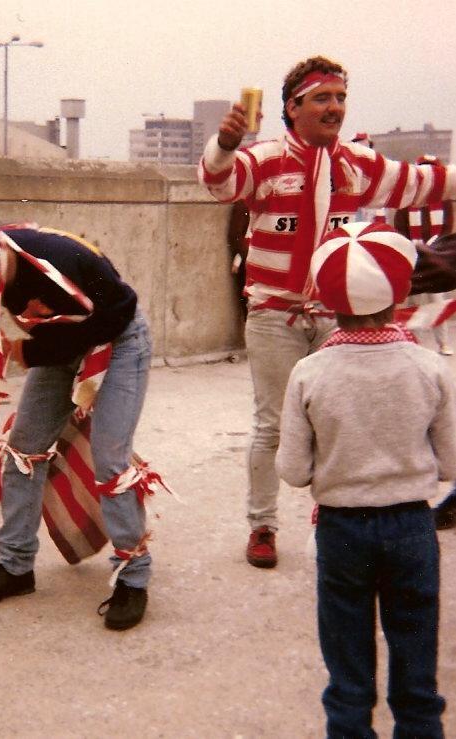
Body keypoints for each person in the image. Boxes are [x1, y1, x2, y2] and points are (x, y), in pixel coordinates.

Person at [198, 54, 456, 568]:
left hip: (335, 316)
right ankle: (263, 525)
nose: (334, 107)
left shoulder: (356, 162)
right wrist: (225, 144)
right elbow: (219, 183)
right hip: (274, 317)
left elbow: (422, 183)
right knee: (273, 426)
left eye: (340, 97)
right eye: (322, 98)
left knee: (338, 418)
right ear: (293, 109)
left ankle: (329, 508)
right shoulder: (266, 157)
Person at [0, 202, 153, 631]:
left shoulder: (44, 264)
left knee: (110, 459)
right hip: (65, 341)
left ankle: (133, 578)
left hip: (120, 339)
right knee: (22, 451)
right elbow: (53, 334)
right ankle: (16, 567)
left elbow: (101, 321)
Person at [276, 221, 454, 738]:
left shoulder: (310, 372)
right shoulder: (428, 368)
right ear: (402, 290)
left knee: (347, 658)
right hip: (412, 529)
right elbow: (453, 463)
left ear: (328, 300)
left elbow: (291, 470)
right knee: (416, 653)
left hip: (342, 531)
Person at [394, 154, 455, 356]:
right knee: (409, 302)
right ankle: (412, 343)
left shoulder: (445, 202)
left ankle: (443, 343)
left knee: (437, 301)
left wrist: (434, 248)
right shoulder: (406, 202)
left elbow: (447, 229)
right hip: (412, 257)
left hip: (435, 257)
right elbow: (400, 229)